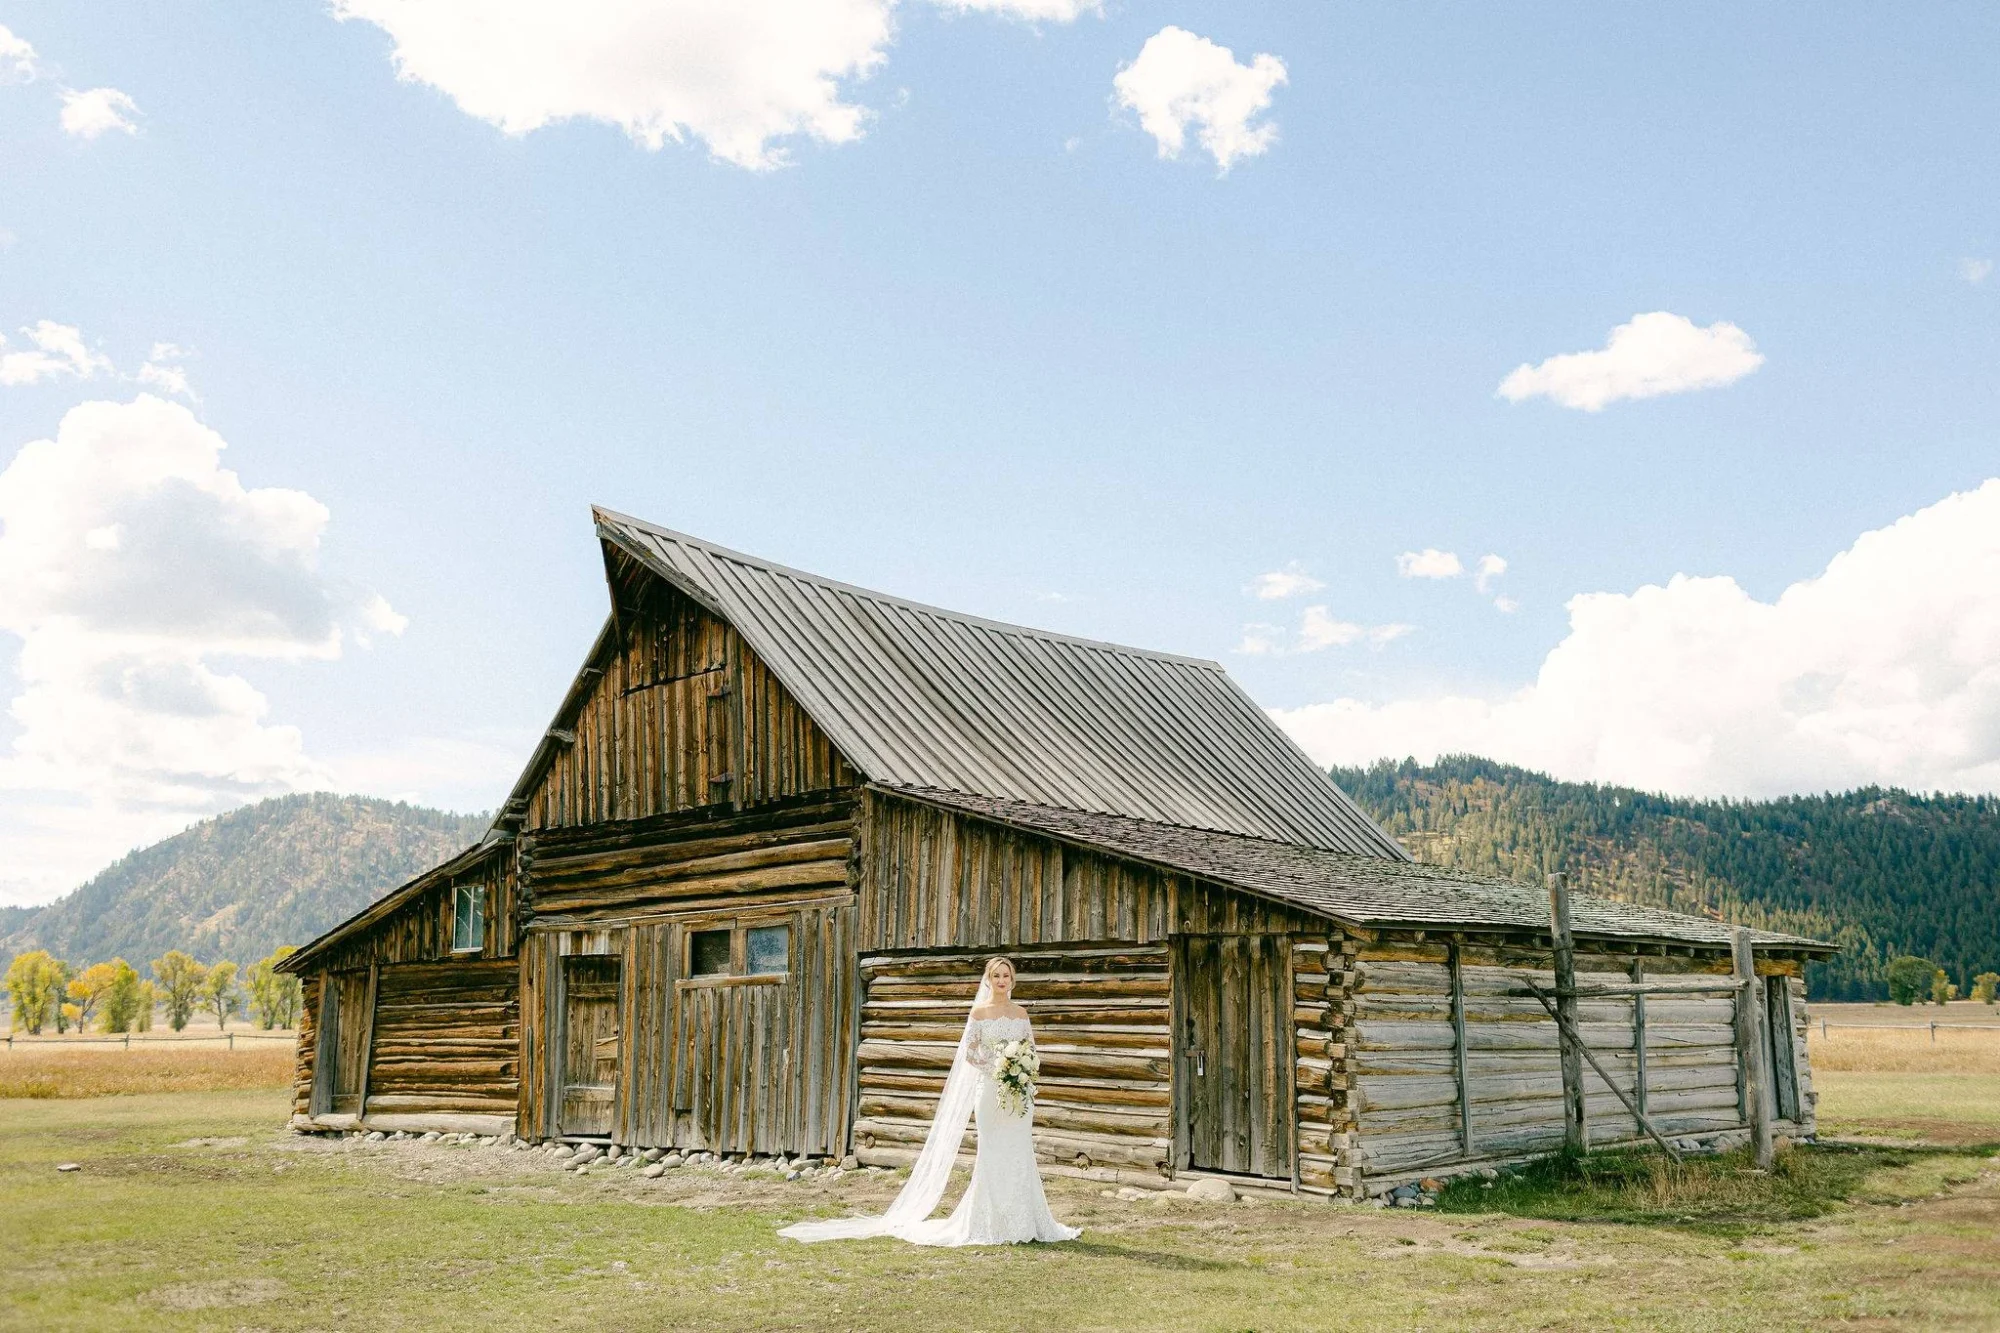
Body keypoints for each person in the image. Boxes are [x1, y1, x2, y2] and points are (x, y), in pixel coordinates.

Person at [779, 955, 1080, 1246]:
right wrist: (997, 1066)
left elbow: (1031, 1051)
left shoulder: (1020, 1014)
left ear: (1012, 980)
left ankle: (1026, 1220)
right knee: (991, 1153)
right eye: (996, 975)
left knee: (1018, 1152)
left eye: (1006, 975)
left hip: (1018, 1096)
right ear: (988, 980)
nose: (1002, 980)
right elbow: (970, 1054)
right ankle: (991, 1221)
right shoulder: (979, 1014)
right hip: (989, 1092)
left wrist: (1020, 1070)